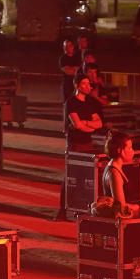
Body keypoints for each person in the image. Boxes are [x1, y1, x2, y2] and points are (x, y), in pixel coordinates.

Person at [56, 73, 103, 220]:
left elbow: (99, 123)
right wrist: (87, 124)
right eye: (85, 84)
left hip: (87, 143)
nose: (89, 86)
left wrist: (86, 124)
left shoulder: (90, 102)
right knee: (70, 175)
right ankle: (63, 210)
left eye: (89, 84)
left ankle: (82, 208)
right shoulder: (71, 102)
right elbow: (77, 124)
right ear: (77, 85)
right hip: (75, 143)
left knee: (86, 176)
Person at [102, 130, 140, 217]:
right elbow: (121, 205)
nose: (133, 151)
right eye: (130, 148)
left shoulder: (113, 166)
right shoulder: (114, 173)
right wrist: (139, 207)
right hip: (119, 221)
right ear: (120, 150)